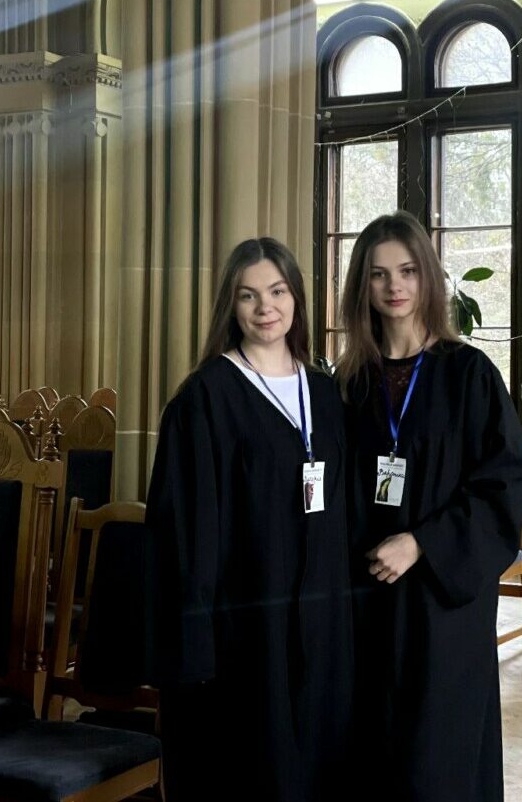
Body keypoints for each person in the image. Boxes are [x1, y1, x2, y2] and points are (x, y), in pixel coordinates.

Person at [337, 211, 522, 802]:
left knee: (438, 758)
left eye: (406, 271)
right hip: (366, 600)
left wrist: (422, 542)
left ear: (427, 276)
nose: (394, 286)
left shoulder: (469, 375)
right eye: (378, 274)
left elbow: (506, 482)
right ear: (363, 286)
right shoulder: (349, 384)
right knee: (369, 756)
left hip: (440, 606)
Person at [146, 238, 353, 802]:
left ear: (297, 298)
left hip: (324, 631)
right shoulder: (205, 398)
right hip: (243, 635)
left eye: (278, 291)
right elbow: (182, 536)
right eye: (249, 295)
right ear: (231, 306)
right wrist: (192, 651)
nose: (266, 307)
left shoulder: (326, 393)